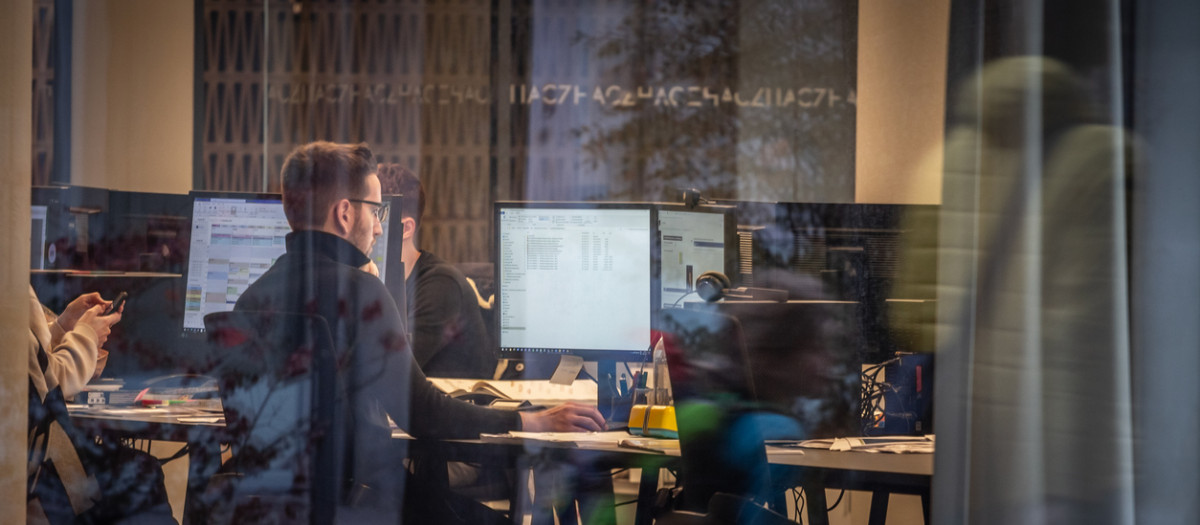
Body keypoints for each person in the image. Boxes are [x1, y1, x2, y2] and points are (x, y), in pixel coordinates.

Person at [233, 141, 604, 521]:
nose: (379, 228)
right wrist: (533, 420)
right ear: (344, 212)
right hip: (364, 502)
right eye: (375, 211)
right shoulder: (360, 291)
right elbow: (422, 413)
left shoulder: (248, 300)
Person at [27, 287, 174, 523]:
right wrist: (86, 336)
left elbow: (35, 364)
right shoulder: (9, 280)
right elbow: (49, 381)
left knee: (140, 469)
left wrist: (64, 326)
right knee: (143, 473)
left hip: (33, 465)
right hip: (40, 481)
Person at [377, 163, 496, 378]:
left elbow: (386, 372)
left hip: (460, 407)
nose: (370, 226)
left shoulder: (441, 286)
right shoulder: (383, 282)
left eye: (376, 215)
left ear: (405, 229)